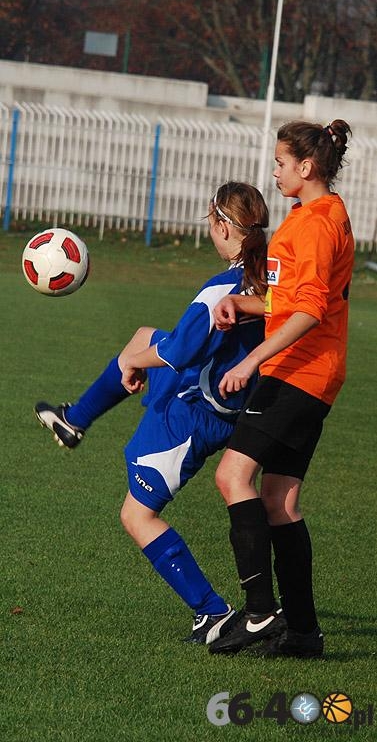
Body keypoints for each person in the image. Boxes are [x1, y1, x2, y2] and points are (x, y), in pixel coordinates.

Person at [35, 182, 283, 645]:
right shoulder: (265, 274)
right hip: (216, 391)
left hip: (200, 414)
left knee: (136, 515)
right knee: (144, 333)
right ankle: (75, 420)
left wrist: (134, 364)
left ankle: (212, 614)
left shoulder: (220, 289)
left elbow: (183, 350)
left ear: (220, 225)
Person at [207, 120, 354, 658]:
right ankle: (305, 633)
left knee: (232, 476)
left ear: (306, 167)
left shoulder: (316, 224)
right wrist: (242, 304)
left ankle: (259, 612)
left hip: (298, 372)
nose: (274, 171)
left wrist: (252, 358)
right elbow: (292, 299)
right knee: (278, 499)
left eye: (280, 162)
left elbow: (310, 311)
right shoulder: (313, 216)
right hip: (314, 372)